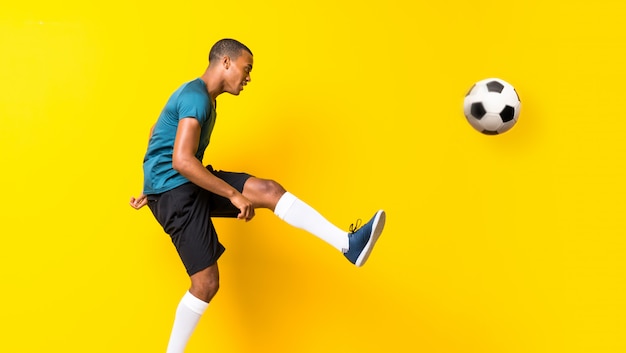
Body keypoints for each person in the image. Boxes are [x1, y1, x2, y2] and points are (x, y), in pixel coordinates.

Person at [129, 38, 385, 353]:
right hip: (174, 191)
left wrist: (148, 180)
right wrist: (229, 195)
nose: (248, 77)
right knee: (206, 284)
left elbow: (157, 129)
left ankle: (348, 245)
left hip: (174, 183)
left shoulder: (199, 97)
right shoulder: (196, 98)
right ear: (225, 63)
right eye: (246, 68)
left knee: (268, 190)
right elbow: (182, 160)